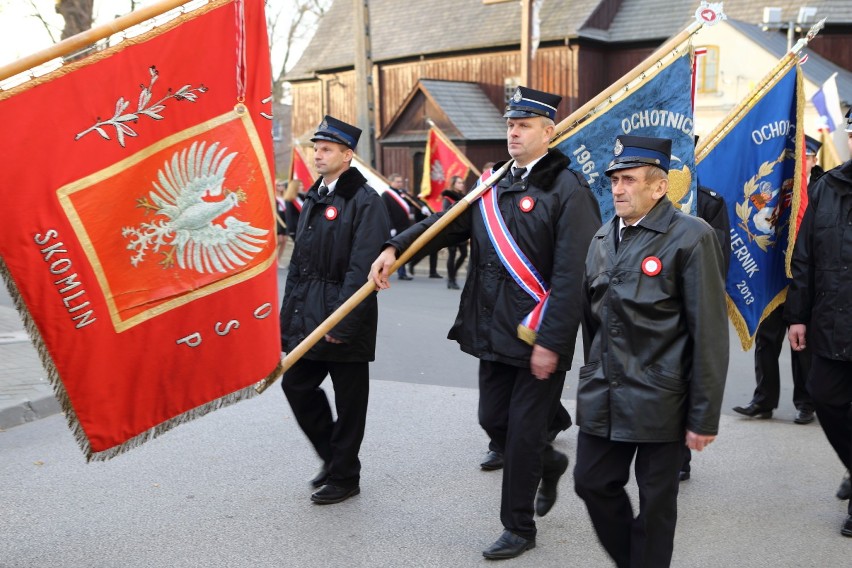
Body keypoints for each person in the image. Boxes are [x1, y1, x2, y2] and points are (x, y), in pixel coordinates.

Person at [370, 86, 601, 560]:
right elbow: (446, 223)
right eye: (511, 125)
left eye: (525, 126)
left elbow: (572, 274)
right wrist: (397, 247)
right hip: (494, 329)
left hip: (539, 336)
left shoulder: (568, 191)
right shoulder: (493, 183)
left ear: (548, 132)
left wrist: (552, 342)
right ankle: (550, 459)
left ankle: (519, 528)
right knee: (493, 420)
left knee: (519, 438)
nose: (514, 132)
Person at [574, 134, 728, 567]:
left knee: (657, 506)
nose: (618, 188)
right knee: (591, 482)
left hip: (664, 397)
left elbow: (710, 332)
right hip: (604, 390)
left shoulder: (691, 236)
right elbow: (593, 321)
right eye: (614, 180)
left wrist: (703, 416)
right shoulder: (603, 236)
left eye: (628, 180)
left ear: (660, 187)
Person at [279, 115, 390, 505]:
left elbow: (362, 270)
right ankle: (333, 457)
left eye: (326, 149)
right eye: (316, 148)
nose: (317, 155)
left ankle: (345, 476)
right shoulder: (315, 195)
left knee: (350, 401)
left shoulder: (365, 202)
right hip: (308, 314)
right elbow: (299, 267)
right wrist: (287, 318)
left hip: (346, 317)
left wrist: (342, 321)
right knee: (295, 384)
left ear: (348, 154)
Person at [785, 109, 852, 537]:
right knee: (824, 396)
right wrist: (798, 315)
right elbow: (805, 256)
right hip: (832, 323)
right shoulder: (829, 186)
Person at [732, 136, 822, 425]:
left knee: (803, 344)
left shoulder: (822, 188)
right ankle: (764, 400)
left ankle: (806, 402)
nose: (801, 160)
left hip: (805, 278)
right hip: (774, 275)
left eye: (805, 156)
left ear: (813, 160)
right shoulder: (779, 187)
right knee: (767, 340)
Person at [679, 179, 731, 482]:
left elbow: (717, 258)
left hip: (687, 305)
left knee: (681, 380)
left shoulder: (708, 201)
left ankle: (678, 458)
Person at [382, 173, 414, 280]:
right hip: (395, 227)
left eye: (401, 181)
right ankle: (396, 272)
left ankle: (402, 272)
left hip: (405, 226)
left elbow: (411, 204)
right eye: (398, 181)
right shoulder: (386, 195)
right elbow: (386, 213)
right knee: (393, 251)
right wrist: (391, 227)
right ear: (391, 182)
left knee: (403, 251)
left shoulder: (402, 193)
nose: (400, 183)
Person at [441, 175, 468, 289]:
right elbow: (446, 213)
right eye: (459, 183)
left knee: (464, 254)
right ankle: (451, 280)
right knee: (452, 255)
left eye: (462, 182)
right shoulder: (448, 198)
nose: (461, 184)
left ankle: (453, 273)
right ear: (453, 184)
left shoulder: (463, 196)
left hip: (462, 229)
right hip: (452, 229)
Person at [283, 178, 305, 243]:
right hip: (296, 228)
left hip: (304, 226)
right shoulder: (289, 201)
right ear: (295, 187)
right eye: (300, 185)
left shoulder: (301, 197)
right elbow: (289, 216)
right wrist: (291, 230)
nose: (302, 187)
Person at [274, 180, 289, 268]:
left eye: (282, 185)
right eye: (279, 185)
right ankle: (273, 259)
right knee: (279, 240)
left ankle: (278, 260)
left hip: (285, 218)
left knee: (284, 241)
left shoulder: (285, 197)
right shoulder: (274, 197)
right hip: (278, 220)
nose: (281, 187)